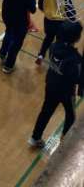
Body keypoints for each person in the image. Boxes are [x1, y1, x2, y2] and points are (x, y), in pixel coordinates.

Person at [29, 21, 83, 149]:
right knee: (70, 115)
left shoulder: (53, 47)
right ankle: (64, 141)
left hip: (51, 84)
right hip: (66, 92)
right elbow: (77, 79)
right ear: (76, 38)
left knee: (45, 111)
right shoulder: (75, 59)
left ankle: (35, 137)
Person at [35, 0, 66, 66]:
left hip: (48, 21)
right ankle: (56, 57)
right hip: (60, 22)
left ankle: (41, 54)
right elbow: (70, 11)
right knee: (60, 41)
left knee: (48, 38)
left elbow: (40, 4)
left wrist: (47, 11)